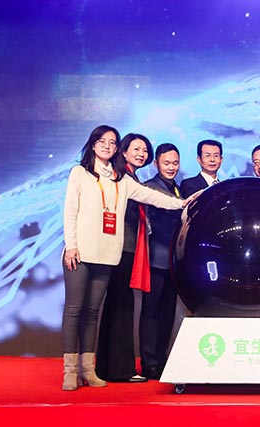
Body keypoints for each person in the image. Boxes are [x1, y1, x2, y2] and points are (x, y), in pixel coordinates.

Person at [61, 126, 188, 391]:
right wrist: (71, 246)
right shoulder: (80, 173)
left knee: (92, 313)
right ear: (93, 144)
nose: (107, 146)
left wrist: (183, 203)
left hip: (107, 255)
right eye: (103, 141)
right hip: (80, 252)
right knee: (74, 310)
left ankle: (88, 369)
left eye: (112, 142)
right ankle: (70, 371)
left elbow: (153, 197)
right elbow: (70, 211)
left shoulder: (121, 179)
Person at [95, 133, 155, 383]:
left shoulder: (130, 176)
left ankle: (107, 367)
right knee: (121, 305)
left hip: (125, 248)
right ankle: (120, 369)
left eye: (144, 150)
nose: (141, 154)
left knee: (117, 304)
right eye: (136, 149)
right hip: (121, 249)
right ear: (123, 151)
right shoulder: (121, 177)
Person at [139, 143, 182, 380]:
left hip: (172, 263)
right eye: (166, 163)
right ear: (156, 163)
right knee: (151, 313)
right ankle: (149, 363)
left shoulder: (177, 188)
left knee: (167, 314)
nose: (171, 167)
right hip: (154, 260)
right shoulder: (149, 188)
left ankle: (161, 358)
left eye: (175, 163)